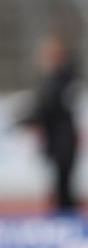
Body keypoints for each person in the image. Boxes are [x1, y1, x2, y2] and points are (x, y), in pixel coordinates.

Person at [18, 32, 82, 212]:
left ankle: (67, 223)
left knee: (64, 186)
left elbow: (48, 106)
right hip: (58, 139)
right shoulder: (59, 79)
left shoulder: (60, 79)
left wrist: (26, 118)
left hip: (63, 140)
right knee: (61, 184)